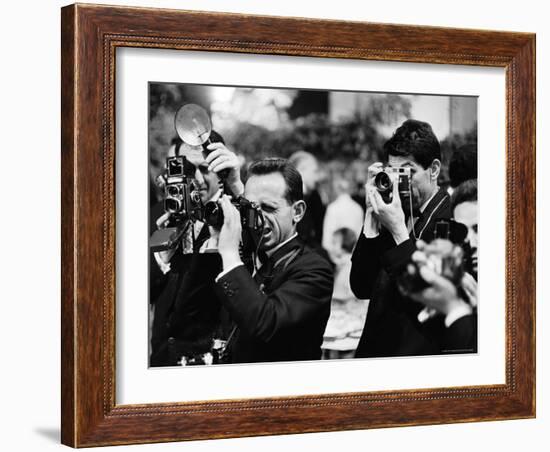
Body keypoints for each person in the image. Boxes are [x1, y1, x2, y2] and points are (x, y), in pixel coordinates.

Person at [213, 158, 334, 363]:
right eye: (251, 207)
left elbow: (266, 323)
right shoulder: (250, 255)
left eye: (269, 208)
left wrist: (230, 253)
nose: (257, 217)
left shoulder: (314, 268)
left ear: (297, 212)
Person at [350, 119, 452, 358]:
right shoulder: (393, 210)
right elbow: (361, 286)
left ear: (434, 169)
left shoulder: (451, 218)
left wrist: (398, 231)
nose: (399, 183)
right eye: (394, 173)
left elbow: (433, 299)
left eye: (408, 172)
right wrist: (371, 218)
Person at [149, 134, 244, 366]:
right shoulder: (163, 213)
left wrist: (238, 187)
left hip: (210, 358)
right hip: (163, 356)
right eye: (190, 170)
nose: (199, 180)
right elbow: (147, 286)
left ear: (220, 170)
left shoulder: (234, 213)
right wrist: (167, 242)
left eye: (205, 168)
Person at [406, 179, 479, 352]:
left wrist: (454, 308)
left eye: (479, 229)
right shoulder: (460, 282)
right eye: (464, 232)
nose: (472, 243)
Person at [288, 151, 326, 250]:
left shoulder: (314, 196)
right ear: (301, 170)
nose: (317, 177)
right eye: (314, 171)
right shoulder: (289, 198)